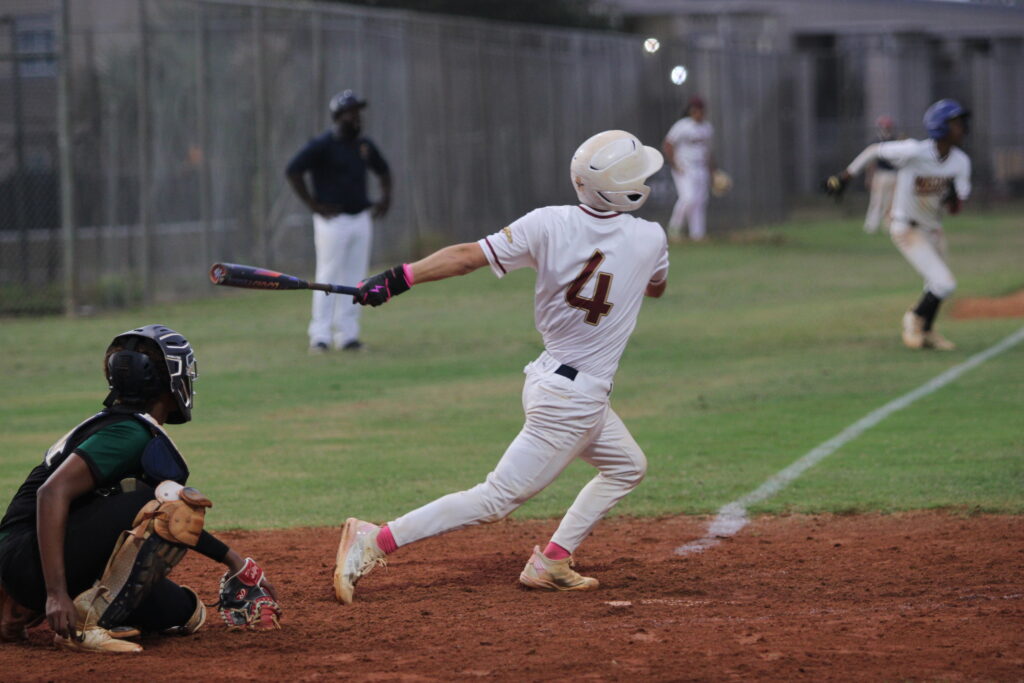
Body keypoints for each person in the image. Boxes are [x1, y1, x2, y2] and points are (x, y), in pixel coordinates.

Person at [332, 130, 669, 603]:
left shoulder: (547, 223)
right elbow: (656, 288)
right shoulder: (650, 237)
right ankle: (375, 538)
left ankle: (553, 560)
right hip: (571, 401)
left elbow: (468, 257)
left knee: (627, 466)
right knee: (494, 500)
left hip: (554, 380)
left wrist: (396, 279)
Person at [0, 325, 280, 653]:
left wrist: (236, 562)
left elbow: (170, 517)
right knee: (170, 502)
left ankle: (28, 608)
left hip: (43, 555)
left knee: (185, 613)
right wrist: (54, 592)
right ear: (169, 384)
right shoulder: (128, 433)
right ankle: (76, 619)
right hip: (23, 559)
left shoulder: (128, 426)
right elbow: (51, 493)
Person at [824, 99, 971, 351]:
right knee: (945, 284)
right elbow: (874, 151)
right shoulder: (914, 151)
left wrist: (953, 199)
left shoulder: (961, 162)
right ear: (940, 127)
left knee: (934, 285)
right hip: (906, 227)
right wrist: (845, 177)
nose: (963, 128)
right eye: (956, 123)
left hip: (932, 229)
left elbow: (957, 206)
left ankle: (927, 331)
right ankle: (913, 320)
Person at [286, 90, 392, 353]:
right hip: (332, 221)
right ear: (338, 116)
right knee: (327, 276)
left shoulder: (363, 146)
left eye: (358, 111)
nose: (356, 117)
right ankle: (320, 336)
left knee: (356, 278)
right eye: (351, 111)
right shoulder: (323, 145)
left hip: (360, 218)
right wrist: (313, 205)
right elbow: (293, 170)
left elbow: (384, 170)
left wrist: (385, 198)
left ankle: (348, 335)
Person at [663, 96, 715, 242]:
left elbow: (709, 151)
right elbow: (667, 144)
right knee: (688, 198)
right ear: (692, 110)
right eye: (696, 110)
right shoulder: (682, 125)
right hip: (685, 168)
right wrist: (674, 164)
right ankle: (674, 229)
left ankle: (697, 234)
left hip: (701, 168)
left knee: (700, 201)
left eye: (701, 110)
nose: (699, 113)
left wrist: (713, 171)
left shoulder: (707, 128)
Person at [863, 115, 898, 234]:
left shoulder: (895, 141)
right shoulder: (876, 142)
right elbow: (871, 163)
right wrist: (869, 177)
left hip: (893, 175)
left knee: (891, 203)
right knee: (877, 201)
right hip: (881, 174)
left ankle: (888, 226)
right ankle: (871, 226)